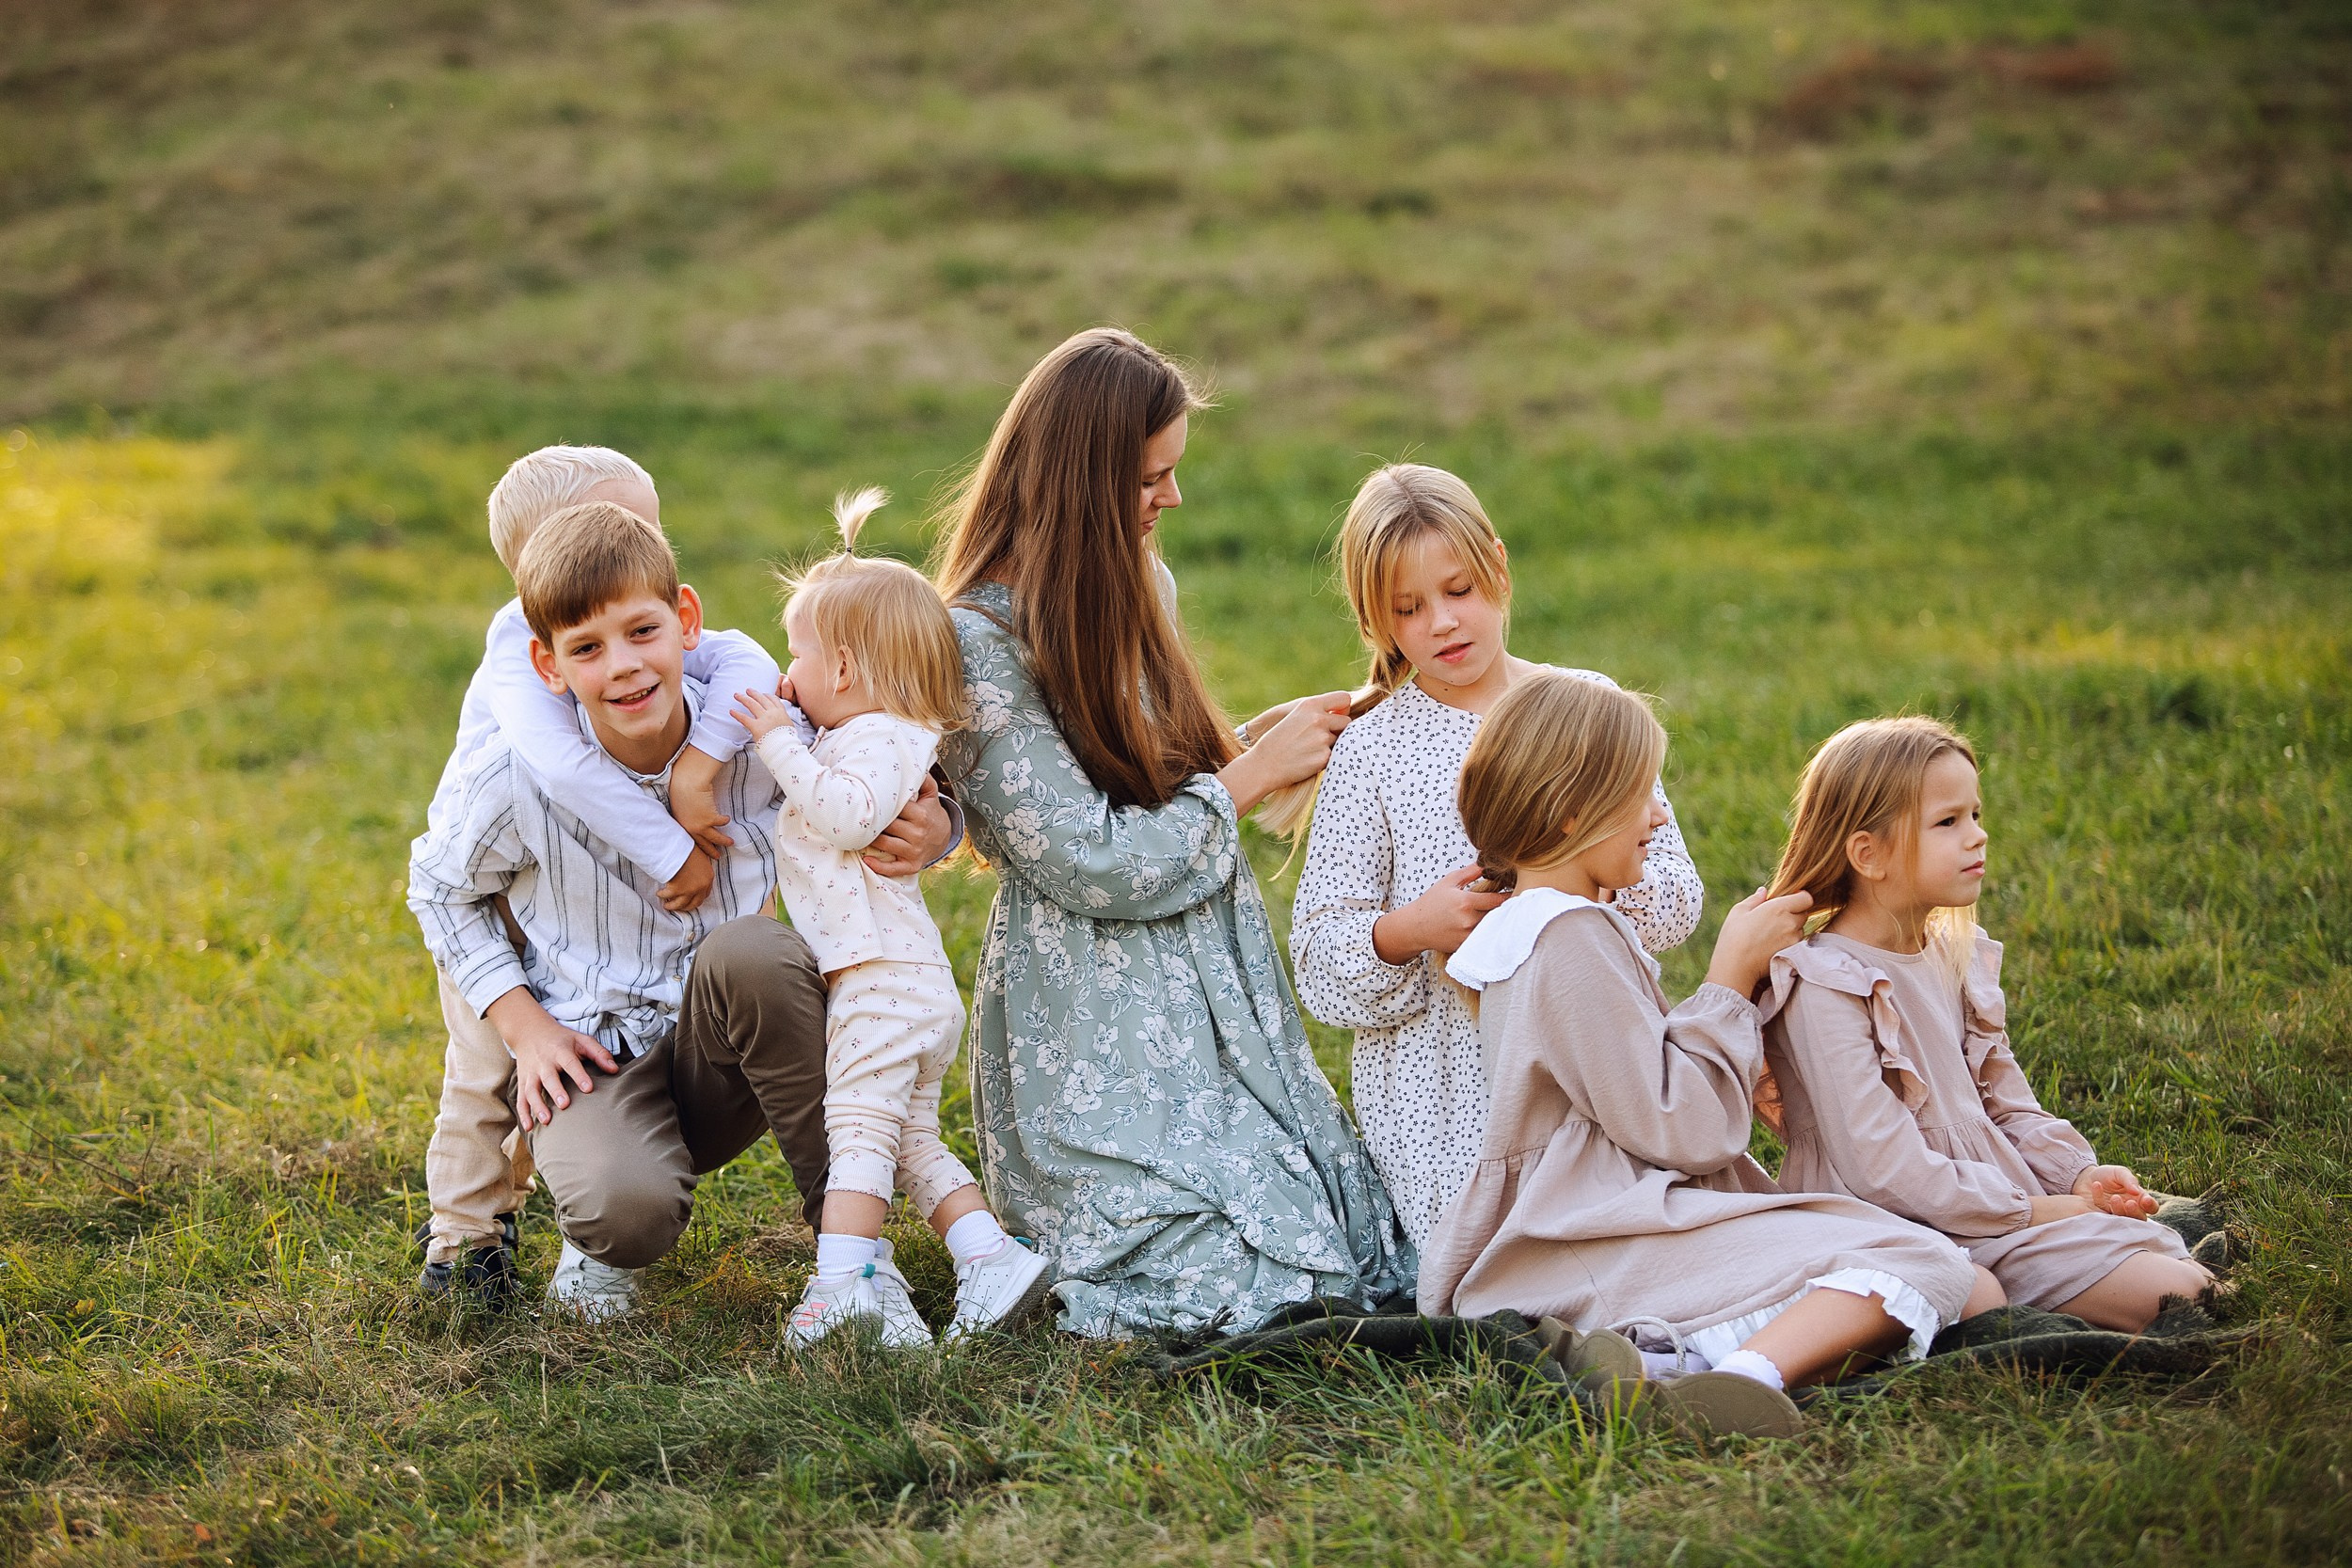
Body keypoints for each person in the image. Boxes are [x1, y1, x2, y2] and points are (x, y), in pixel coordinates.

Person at [933, 326, 1414, 1338]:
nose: (1172, 499)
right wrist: (1241, 783)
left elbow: (1142, 770)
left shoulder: (1139, 581)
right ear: (1080, 479)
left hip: (1206, 988)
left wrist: (1256, 742)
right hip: (1091, 1017)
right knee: (1238, 1280)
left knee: (1341, 1242)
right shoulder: (974, 646)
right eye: (1151, 476)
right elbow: (1093, 856)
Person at [407, 500, 955, 1320]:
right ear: (549, 667)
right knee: (624, 1214)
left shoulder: (764, 739)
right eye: (587, 649)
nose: (623, 666)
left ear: (686, 620)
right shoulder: (517, 777)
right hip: (593, 1055)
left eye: (641, 632)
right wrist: (524, 1025)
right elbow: (439, 887)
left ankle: (851, 1258)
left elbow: (880, 756)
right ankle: (596, 1233)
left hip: (723, 1051)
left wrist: (938, 825)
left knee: (755, 953)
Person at [1419, 672, 1992, 1437]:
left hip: (1594, 1230)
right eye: (1642, 797)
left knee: (1969, 1283)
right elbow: (1680, 1128)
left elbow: (1631, 1083)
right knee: (1930, 1263)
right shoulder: (1568, 938)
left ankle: (1659, 1359)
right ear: (1571, 814)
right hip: (1595, 1238)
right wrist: (1731, 975)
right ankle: (1741, 1378)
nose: (1659, 816)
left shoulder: (1538, 927)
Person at [1291, 463, 1704, 1245]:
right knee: (1523, 1253)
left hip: (1597, 1053)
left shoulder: (1584, 705)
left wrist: (1576, 893)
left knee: (1655, 1221)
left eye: (1459, 590)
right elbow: (1316, 960)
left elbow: (1677, 893)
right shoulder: (1374, 750)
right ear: (1377, 620)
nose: (1443, 622)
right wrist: (1411, 928)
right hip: (1447, 1092)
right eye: (1408, 609)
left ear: (1499, 567)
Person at [1756, 717, 2211, 1331]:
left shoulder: (1953, 956)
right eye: (1948, 822)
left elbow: (2008, 1104)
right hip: (1891, 1218)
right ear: (1868, 853)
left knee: (2182, 1271)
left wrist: (2080, 1174)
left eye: (1975, 813)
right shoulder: (1825, 983)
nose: (1978, 835)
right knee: (2176, 1293)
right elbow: (1882, 1168)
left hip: (1992, 1199)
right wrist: (2038, 1210)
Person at [733, 488, 1049, 1349]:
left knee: (860, 1130)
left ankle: (844, 1283)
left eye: (795, 658)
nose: (784, 677)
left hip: (884, 980)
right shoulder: (871, 733)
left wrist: (775, 739)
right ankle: (989, 1259)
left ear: (839, 670)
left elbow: (843, 816)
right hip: (897, 980)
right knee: (908, 1138)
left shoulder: (880, 739)